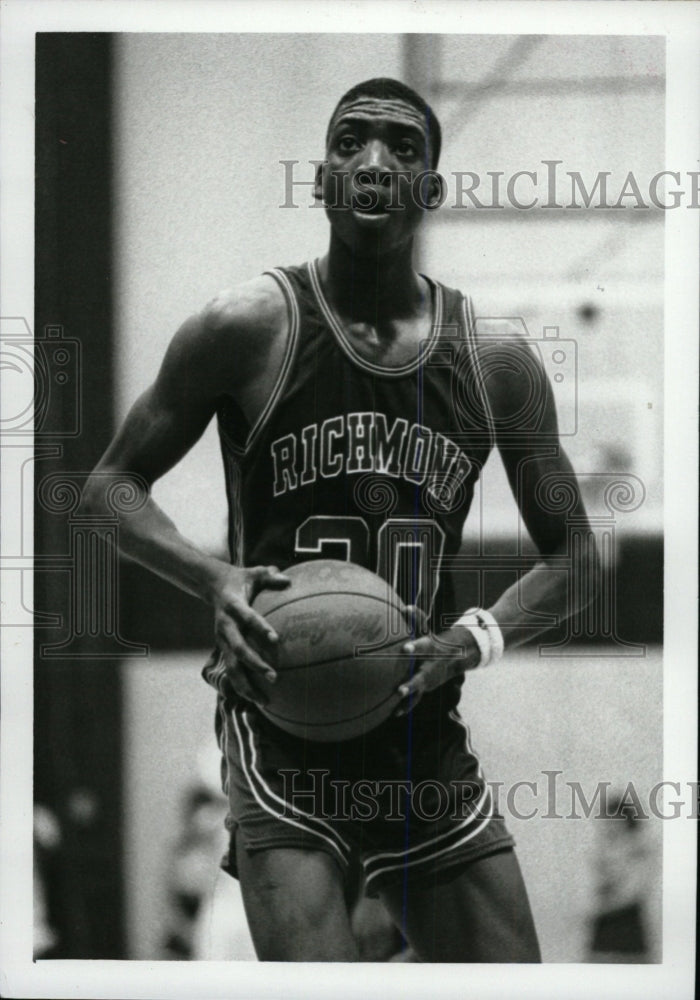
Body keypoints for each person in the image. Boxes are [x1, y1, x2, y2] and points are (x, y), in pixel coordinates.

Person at [84, 77, 597, 962]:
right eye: (351, 141)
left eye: (403, 147)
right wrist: (216, 578)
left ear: (430, 189)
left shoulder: (495, 359)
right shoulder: (248, 325)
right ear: (321, 178)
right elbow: (106, 489)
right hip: (279, 719)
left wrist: (473, 638)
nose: (373, 162)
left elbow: (579, 561)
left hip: (417, 726)